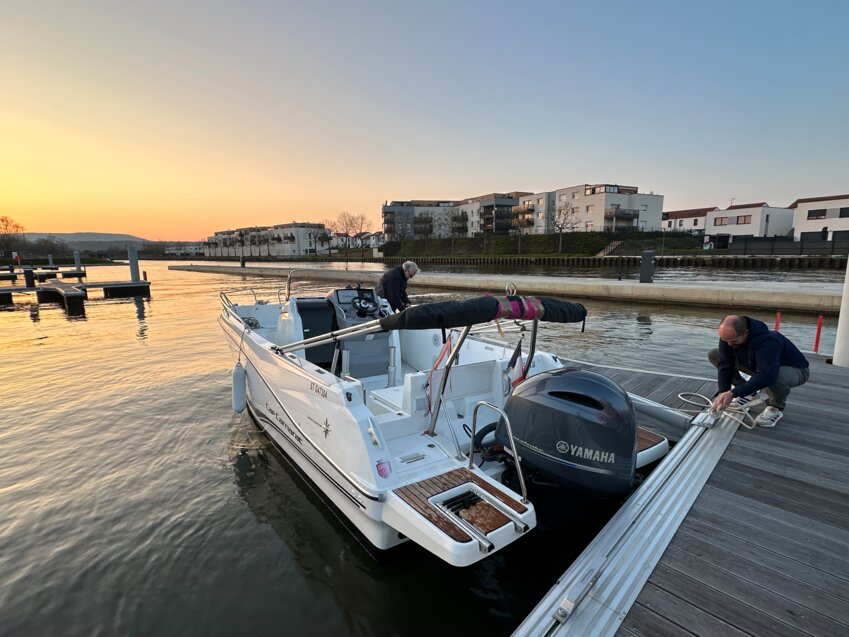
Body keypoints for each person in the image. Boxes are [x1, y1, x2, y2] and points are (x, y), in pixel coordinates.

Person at [709, 315, 810, 427]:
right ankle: (747, 391)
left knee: (774, 377)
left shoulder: (768, 341)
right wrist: (724, 392)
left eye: (733, 341)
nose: (729, 344)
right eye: (725, 340)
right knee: (715, 355)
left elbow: (767, 375)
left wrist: (733, 393)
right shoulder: (729, 337)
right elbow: (726, 365)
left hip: (795, 370)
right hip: (759, 366)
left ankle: (775, 407)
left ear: (746, 333)